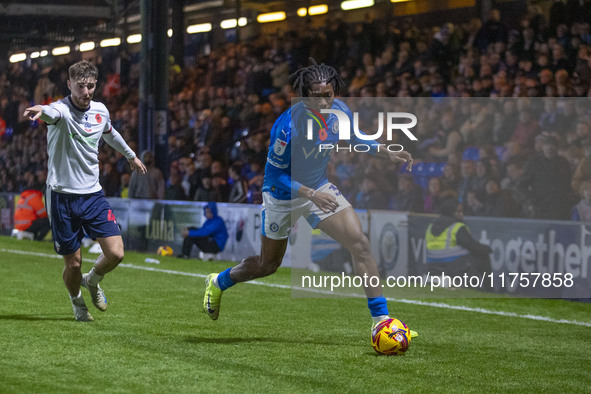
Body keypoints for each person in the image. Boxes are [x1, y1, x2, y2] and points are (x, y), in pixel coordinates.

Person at [201, 61, 416, 335]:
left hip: (318, 186)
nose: (324, 101)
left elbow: (354, 137)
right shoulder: (287, 127)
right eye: (317, 96)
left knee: (359, 243)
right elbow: (275, 175)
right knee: (268, 265)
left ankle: (381, 321)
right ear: (304, 96)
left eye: (329, 94)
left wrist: (386, 151)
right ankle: (218, 281)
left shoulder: (339, 110)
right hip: (282, 195)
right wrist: (310, 194)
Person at [23, 60, 147, 322]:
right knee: (73, 263)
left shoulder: (100, 111)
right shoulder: (61, 110)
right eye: (80, 86)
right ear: (69, 85)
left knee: (116, 253)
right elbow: (51, 113)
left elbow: (110, 133)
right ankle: (77, 303)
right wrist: (40, 109)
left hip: (92, 195)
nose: (86, 92)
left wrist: (131, 156)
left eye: (90, 86)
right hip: (61, 196)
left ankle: (92, 281)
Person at [425, 199, 492, 278]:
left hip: (431, 265)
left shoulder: (430, 226)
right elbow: (473, 246)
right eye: (458, 212)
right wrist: (487, 249)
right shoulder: (456, 227)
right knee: (482, 257)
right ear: (451, 212)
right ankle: (486, 288)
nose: (462, 214)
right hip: (452, 265)